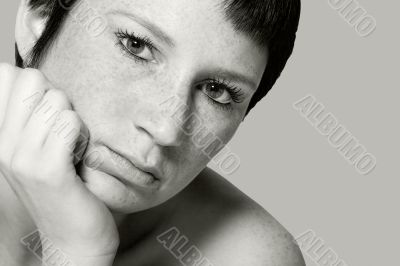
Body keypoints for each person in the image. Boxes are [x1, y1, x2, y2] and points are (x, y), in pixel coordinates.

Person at [0, 0, 304, 265]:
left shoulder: (247, 256)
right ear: (39, 14)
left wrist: (77, 252)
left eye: (217, 91)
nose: (167, 129)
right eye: (136, 46)